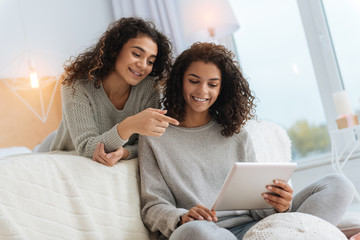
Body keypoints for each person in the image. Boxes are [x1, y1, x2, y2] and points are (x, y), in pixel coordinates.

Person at [138, 42, 355, 240]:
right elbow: (153, 205)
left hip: (257, 228)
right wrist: (181, 217)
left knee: (338, 185)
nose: (202, 91)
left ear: (223, 88)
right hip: (207, 232)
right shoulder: (154, 135)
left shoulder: (237, 134)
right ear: (179, 81)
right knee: (194, 232)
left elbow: (257, 208)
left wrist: (280, 206)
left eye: (212, 84)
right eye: (194, 81)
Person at [50, 17, 179, 166]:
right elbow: (86, 147)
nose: (143, 65)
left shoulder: (149, 89)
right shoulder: (76, 84)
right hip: (67, 149)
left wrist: (126, 152)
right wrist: (129, 125)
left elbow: (149, 144)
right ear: (114, 50)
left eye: (150, 61)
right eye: (137, 54)